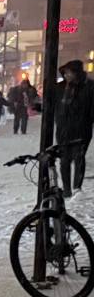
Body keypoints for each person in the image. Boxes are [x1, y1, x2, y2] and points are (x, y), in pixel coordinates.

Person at [55, 60, 94, 197]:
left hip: (81, 130)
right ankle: (66, 190)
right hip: (63, 130)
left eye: (69, 73)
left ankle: (77, 188)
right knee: (64, 160)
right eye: (65, 73)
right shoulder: (60, 87)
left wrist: (87, 120)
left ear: (77, 73)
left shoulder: (89, 87)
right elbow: (54, 104)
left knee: (79, 158)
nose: (67, 75)